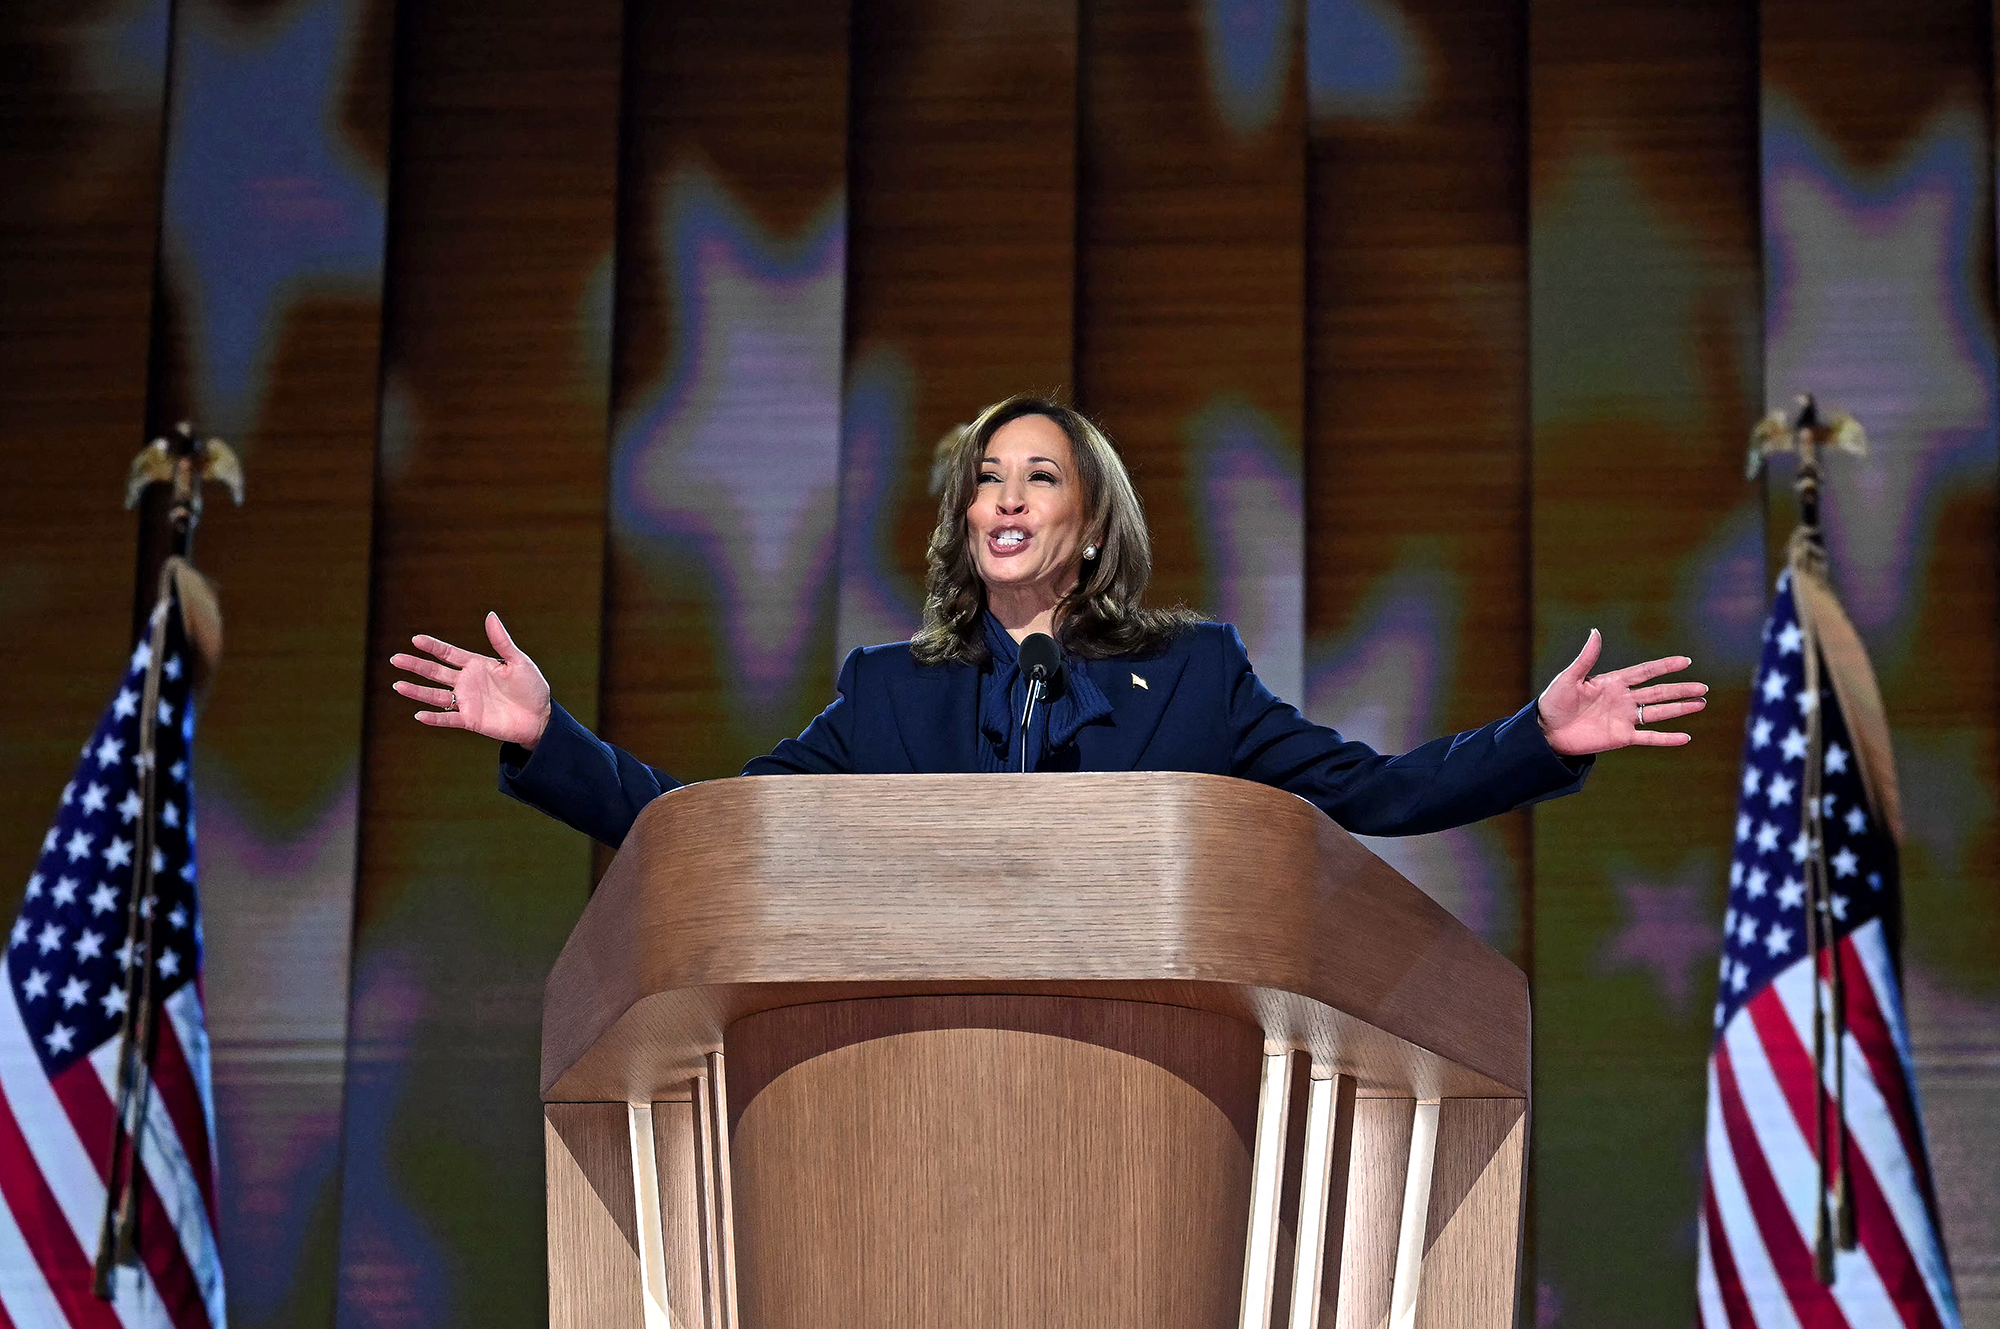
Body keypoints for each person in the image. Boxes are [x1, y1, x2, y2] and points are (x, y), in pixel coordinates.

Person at [390, 396, 1706, 849]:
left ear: (1087, 524)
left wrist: (1539, 736)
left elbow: (1379, 792)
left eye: (1040, 476)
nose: (1005, 495)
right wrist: (551, 736)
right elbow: (712, 829)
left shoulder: (1197, 678)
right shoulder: (887, 693)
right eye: (985, 476)